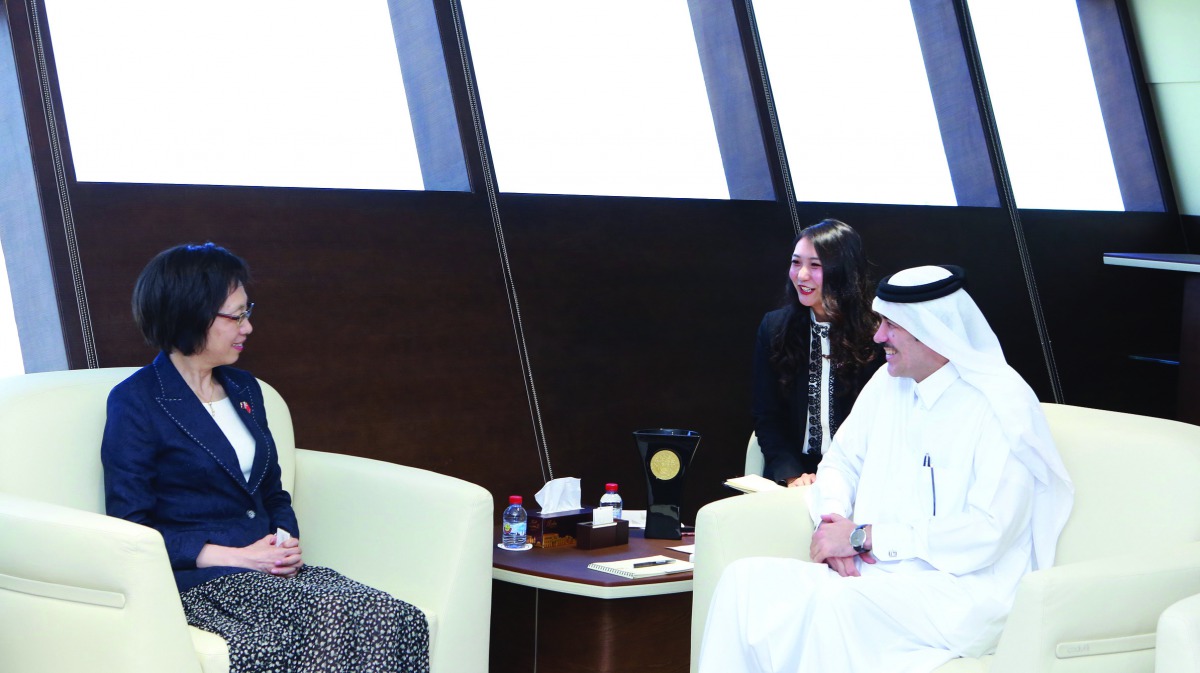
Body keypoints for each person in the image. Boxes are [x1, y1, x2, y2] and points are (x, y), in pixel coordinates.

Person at [700, 265, 1074, 673]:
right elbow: (841, 461)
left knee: (836, 606)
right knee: (745, 583)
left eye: (891, 325)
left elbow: (989, 532)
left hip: (963, 591)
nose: (878, 337)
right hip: (881, 573)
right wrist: (835, 522)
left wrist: (864, 538)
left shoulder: (1001, 403)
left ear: (932, 330)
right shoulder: (887, 383)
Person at [102, 242, 430, 673]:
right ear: (191, 314)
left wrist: (282, 544)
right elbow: (131, 527)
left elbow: (273, 491)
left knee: (399, 618)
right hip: (202, 579)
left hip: (267, 571)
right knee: (324, 625)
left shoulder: (244, 389)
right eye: (236, 316)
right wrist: (234, 557)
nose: (248, 327)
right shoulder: (137, 401)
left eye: (247, 311)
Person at [752, 219, 879, 486]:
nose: (801, 275)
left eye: (815, 265)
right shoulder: (774, 328)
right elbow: (768, 416)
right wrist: (792, 475)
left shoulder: (878, 334)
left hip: (861, 475)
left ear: (843, 271)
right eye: (796, 262)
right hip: (794, 473)